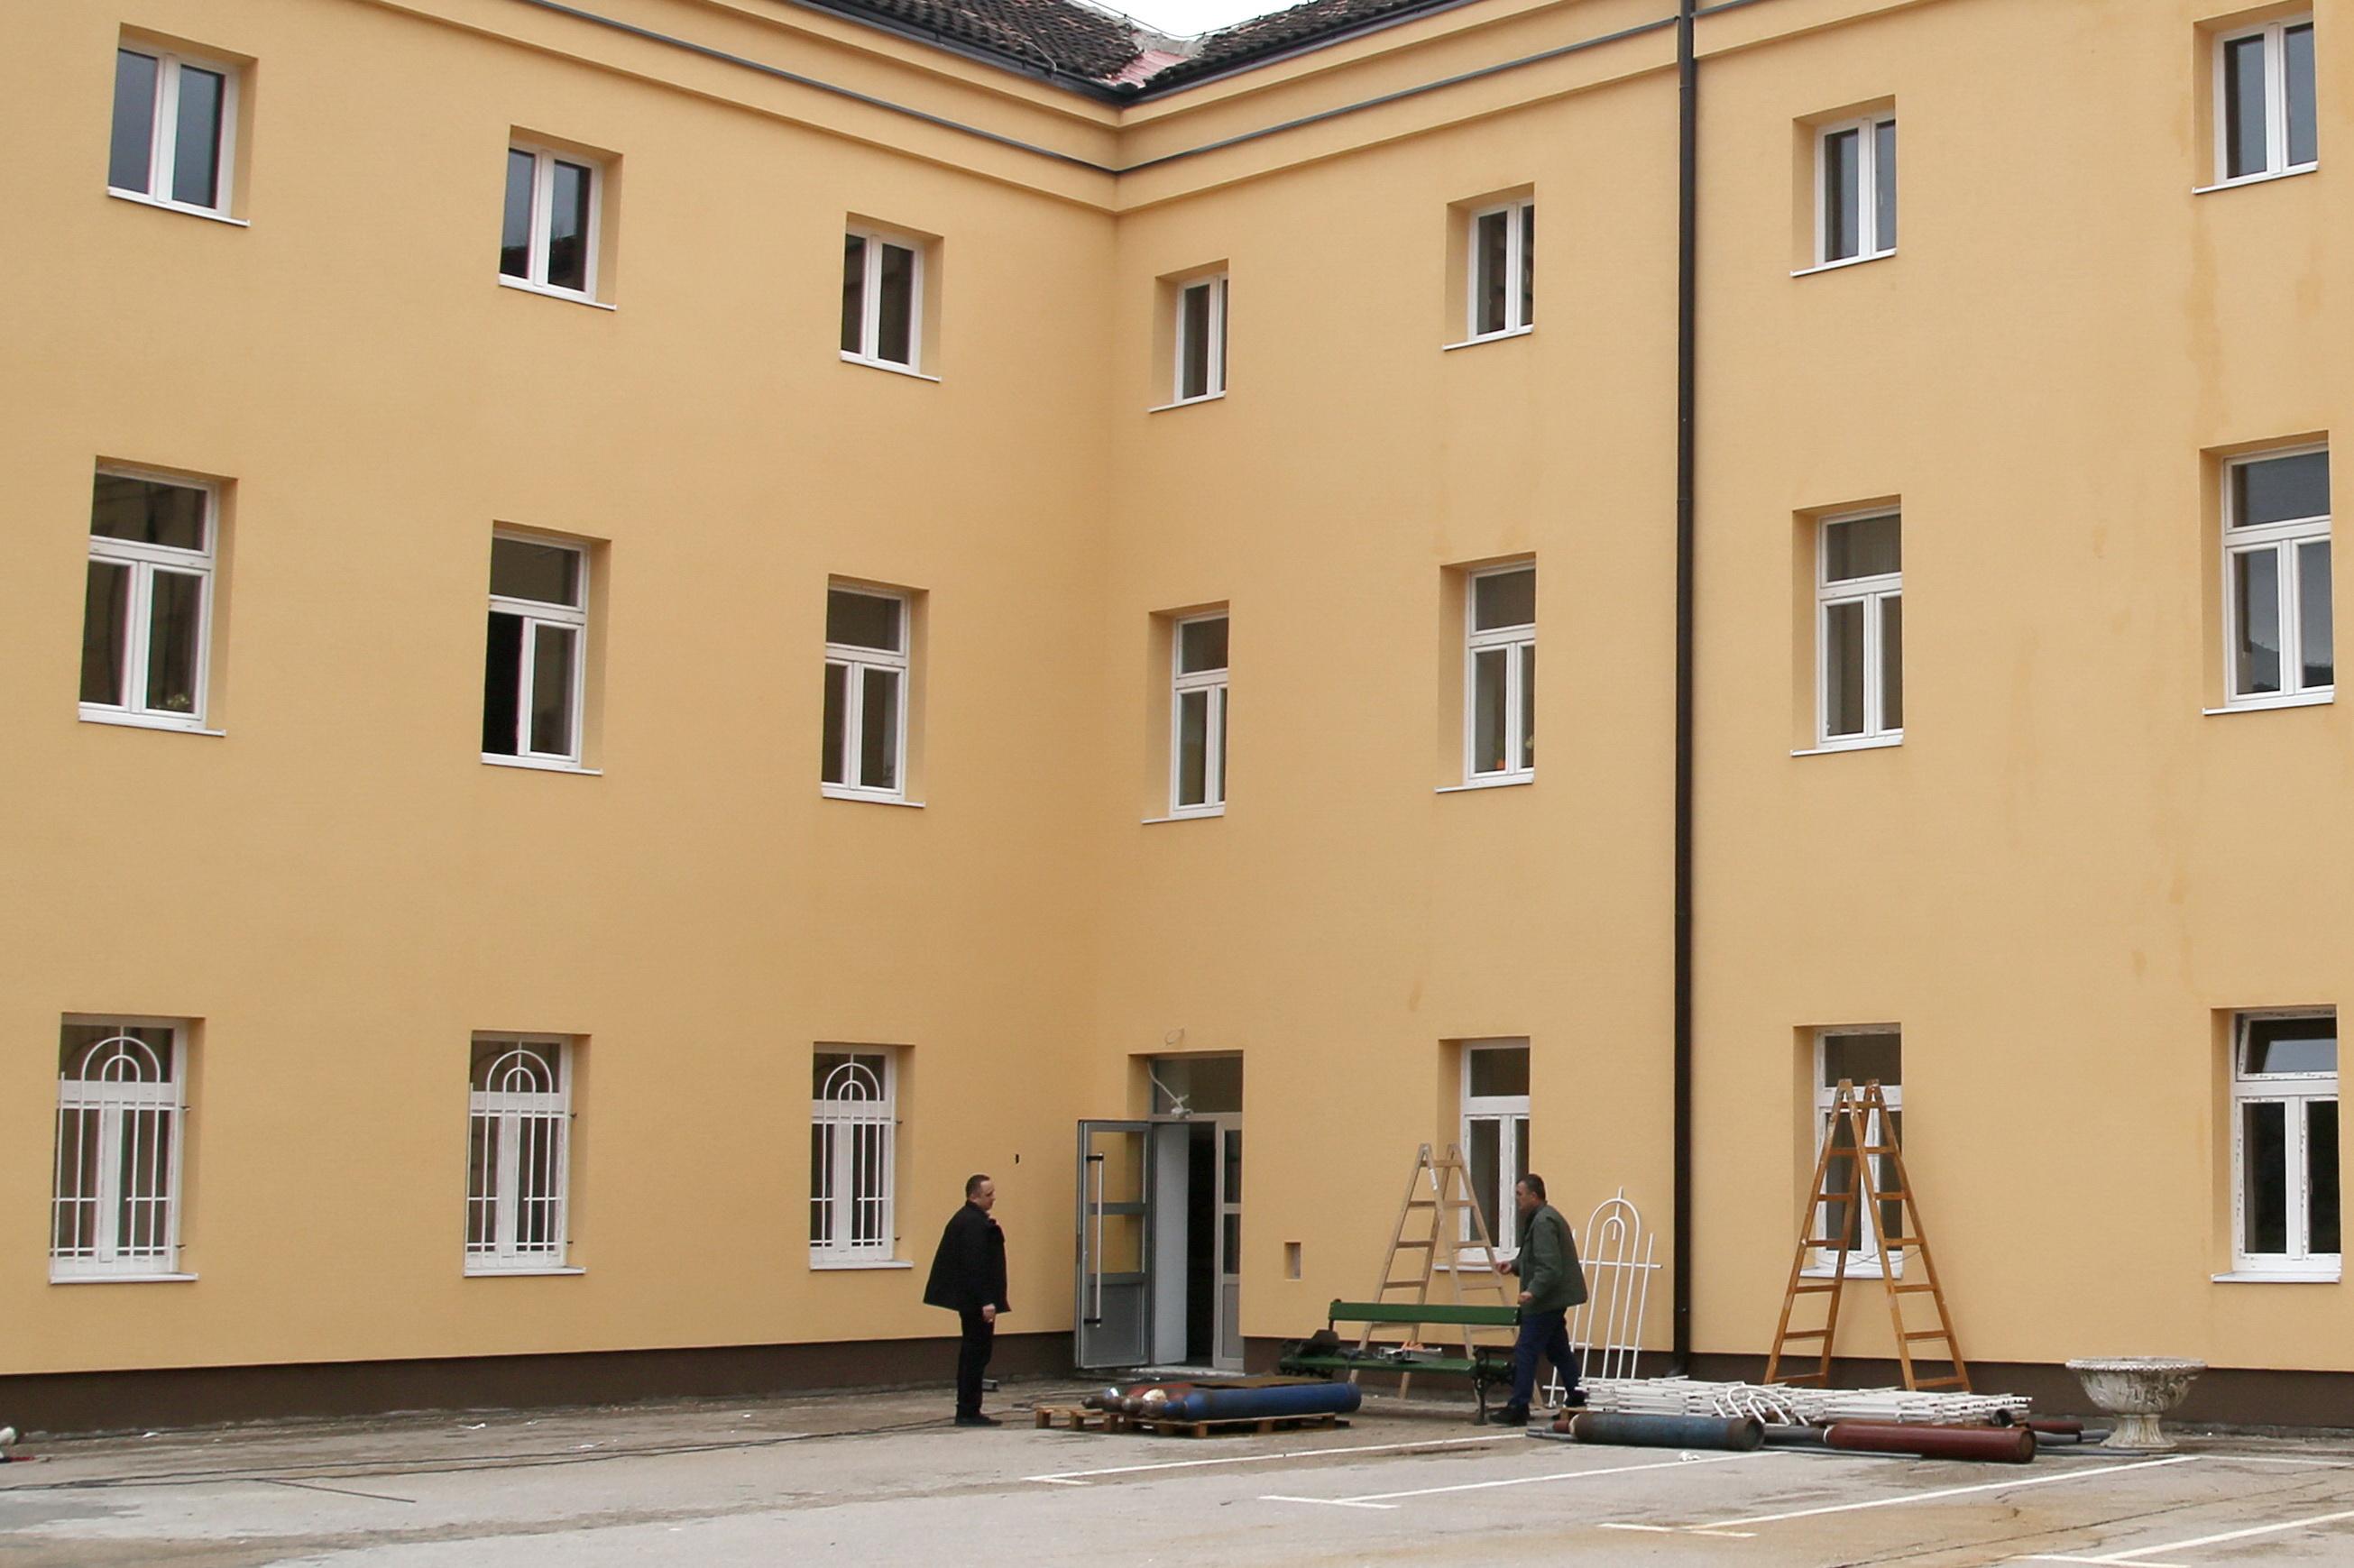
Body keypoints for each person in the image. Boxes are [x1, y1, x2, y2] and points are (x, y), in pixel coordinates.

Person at [1492, 1173, 1586, 1426]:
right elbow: (1533, 1258)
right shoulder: (1543, 1217)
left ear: (1534, 1196)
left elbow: (1549, 1266)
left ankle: (1519, 1406)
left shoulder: (1543, 1221)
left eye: (1520, 1195)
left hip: (1545, 1299)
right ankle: (1578, 1400)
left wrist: (1532, 1291)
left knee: (1526, 1349)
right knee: (1558, 1351)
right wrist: (1512, 1266)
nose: (1517, 1200)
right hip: (1553, 1298)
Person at [924, 1173, 1010, 1426]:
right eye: (988, 1194)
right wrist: (987, 1301)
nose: (993, 1198)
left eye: (993, 1193)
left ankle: (970, 1408)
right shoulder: (972, 1224)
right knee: (976, 1354)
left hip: (971, 1300)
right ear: (974, 1196)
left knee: (975, 1353)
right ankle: (968, 1410)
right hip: (976, 1303)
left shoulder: (969, 1220)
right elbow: (976, 1266)